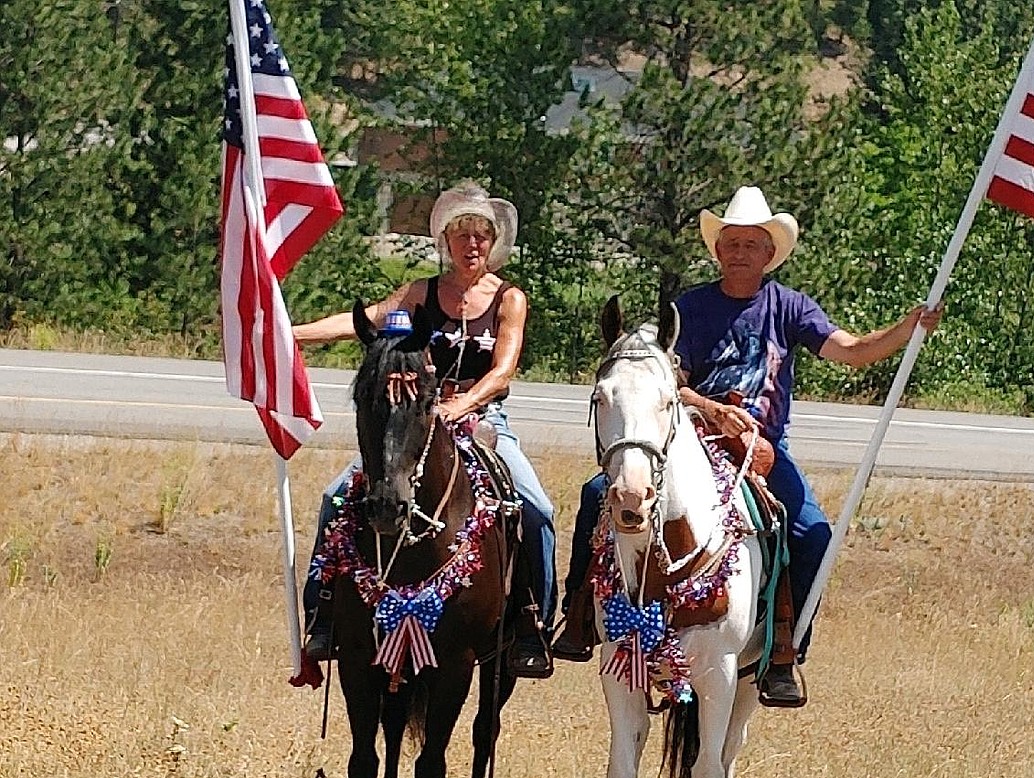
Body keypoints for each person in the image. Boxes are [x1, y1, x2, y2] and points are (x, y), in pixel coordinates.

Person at [551, 185, 942, 706]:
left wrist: (907, 327)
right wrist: (711, 410)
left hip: (759, 449)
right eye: (730, 242)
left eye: (751, 244)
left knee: (812, 532)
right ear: (717, 250)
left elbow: (849, 351)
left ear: (768, 253)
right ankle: (578, 615)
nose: (739, 252)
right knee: (598, 493)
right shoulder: (688, 308)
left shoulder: (789, 307)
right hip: (689, 439)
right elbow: (672, 382)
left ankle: (784, 651)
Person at [293, 181, 557, 678]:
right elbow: (369, 321)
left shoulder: (508, 299)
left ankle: (531, 625)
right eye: (462, 235)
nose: (472, 245)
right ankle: (322, 616)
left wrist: (463, 405)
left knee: (537, 508)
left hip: (482, 421)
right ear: (446, 241)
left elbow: (503, 369)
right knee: (335, 497)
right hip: (415, 418)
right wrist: (290, 334)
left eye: (481, 235)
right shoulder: (421, 294)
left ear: (493, 242)